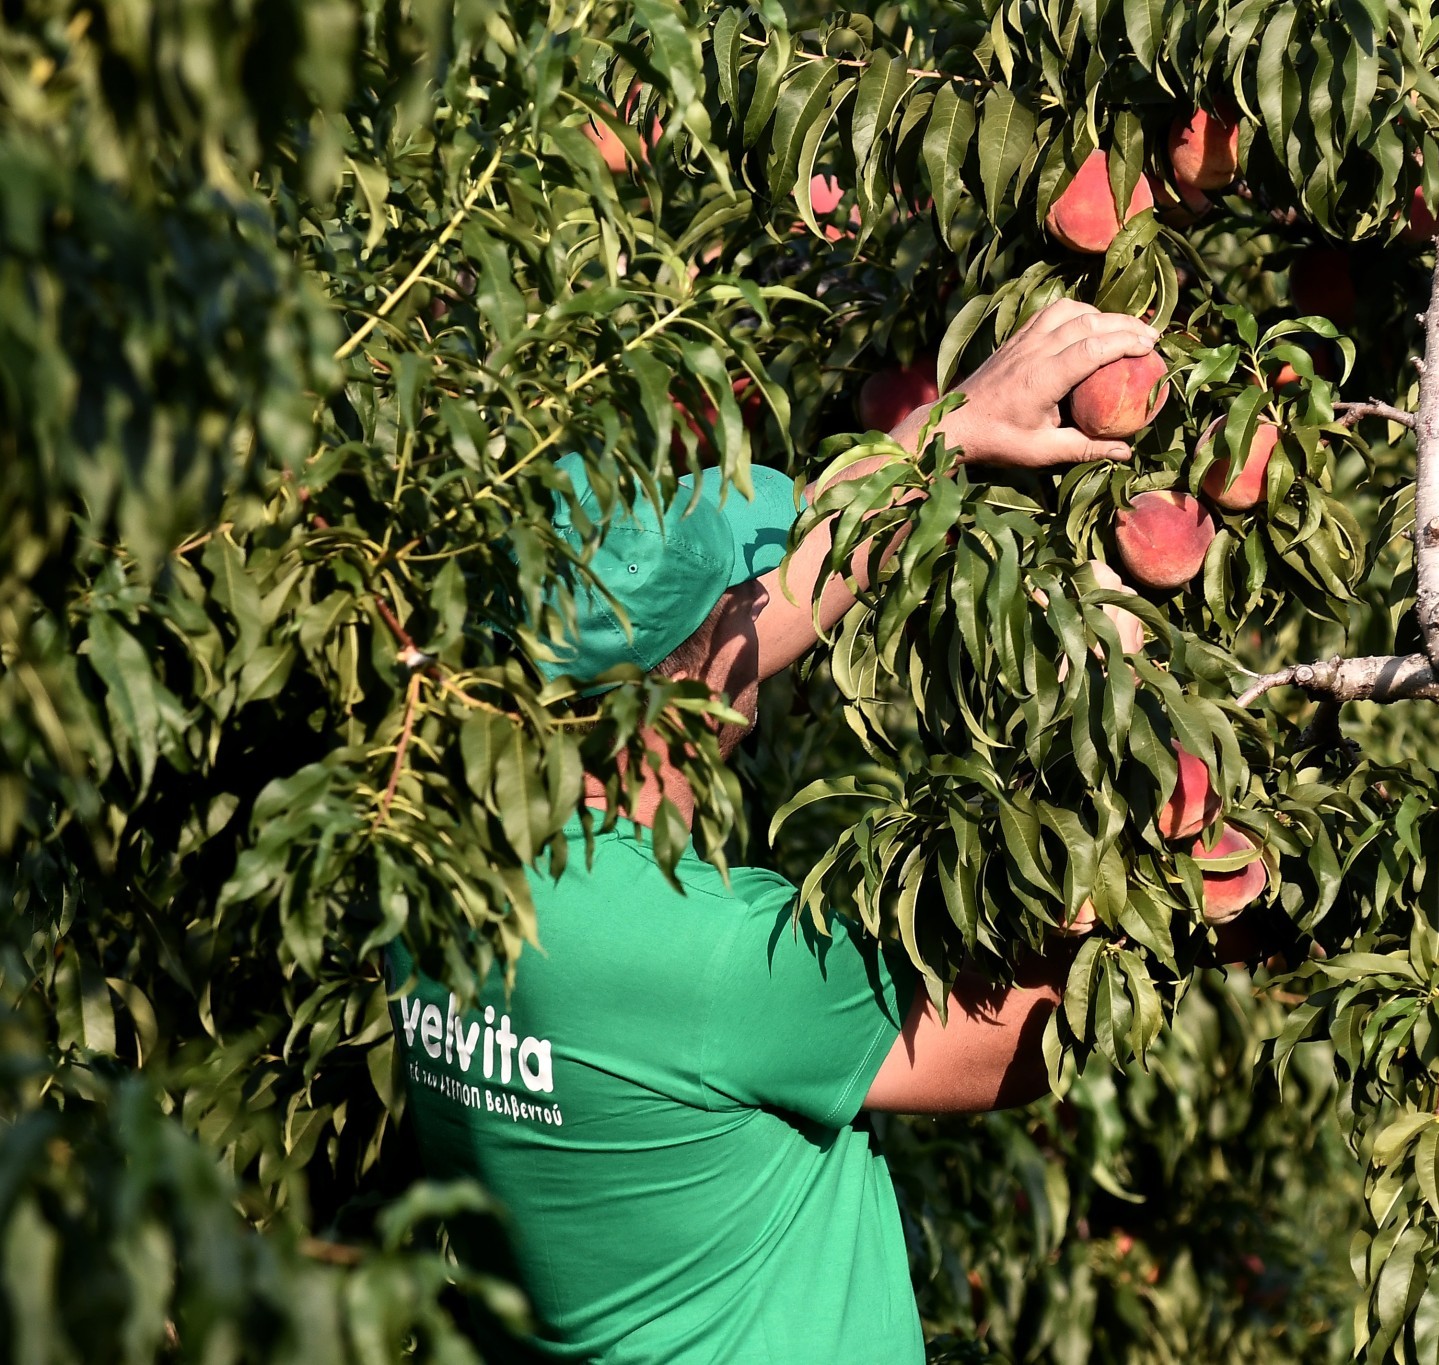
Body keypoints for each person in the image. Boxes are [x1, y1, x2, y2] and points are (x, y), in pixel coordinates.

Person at [386, 302, 1178, 1363]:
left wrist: (950, 432)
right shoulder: (716, 962)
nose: (756, 609)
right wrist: (1117, 722)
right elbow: (1020, 1041)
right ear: (681, 683)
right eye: (731, 603)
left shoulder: (428, 854)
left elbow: (770, 602)